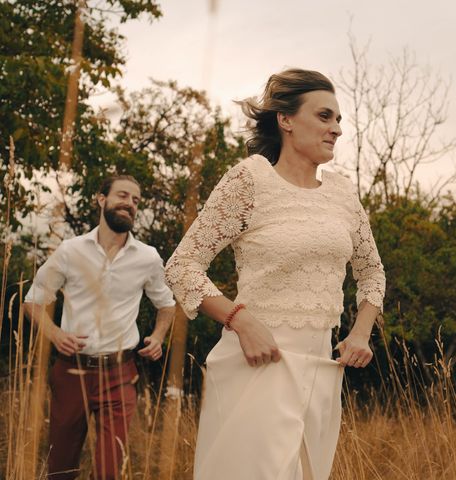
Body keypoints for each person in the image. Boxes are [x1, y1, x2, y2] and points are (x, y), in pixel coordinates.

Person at [165, 68, 386, 480]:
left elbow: (372, 272)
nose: (336, 129)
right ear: (285, 120)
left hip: (322, 370)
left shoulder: (343, 193)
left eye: (339, 120)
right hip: (258, 363)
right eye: (324, 116)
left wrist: (360, 333)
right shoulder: (250, 180)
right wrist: (240, 320)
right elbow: (181, 266)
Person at [23, 175, 176, 480]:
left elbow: (167, 305)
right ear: (101, 199)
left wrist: (158, 336)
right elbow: (34, 301)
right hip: (71, 373)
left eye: (135, 200)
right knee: (61, 468)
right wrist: (55, 334)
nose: (129, 204)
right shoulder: (70, 250)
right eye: (122, 195)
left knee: (109, 470)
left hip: (120, 373)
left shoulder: (148, 257)